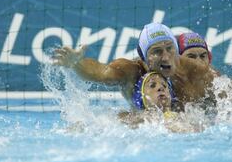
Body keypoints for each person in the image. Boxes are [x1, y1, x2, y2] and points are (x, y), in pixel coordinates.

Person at [53, 23, 216, 111]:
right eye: (157, 52)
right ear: (144, 56)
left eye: (170, 49)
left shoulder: (192, 71)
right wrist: (76, 63)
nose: (166, 57)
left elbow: (228, 91)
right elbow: (100, 72)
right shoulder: (131, 71)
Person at [118, 72, 200, 133]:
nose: (160, 87)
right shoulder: (139, 117)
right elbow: (120, 118)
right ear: (141, 97)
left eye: (164, 86)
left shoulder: (184, 116)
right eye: (152, 85)